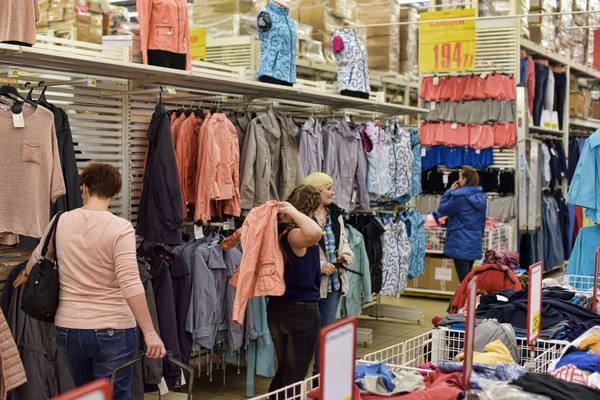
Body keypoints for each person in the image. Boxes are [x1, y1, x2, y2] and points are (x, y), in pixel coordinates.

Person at [14, 163, 166, 400]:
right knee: (114, 396)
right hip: (113, 329)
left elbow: (37, 259)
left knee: (88, 395)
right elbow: (130, 282)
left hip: (69, 330)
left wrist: (24, 275)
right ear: (114, 194)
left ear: (84, 188)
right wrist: (150, 332)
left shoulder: (60, 221)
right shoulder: (120, 228)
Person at [267, 185, 324, 393]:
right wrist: (293, 212)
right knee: (294, 376)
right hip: (301, 311)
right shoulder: (295, 235)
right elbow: (316, 232)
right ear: (313, 209)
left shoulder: (277, 230)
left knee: (284, 371)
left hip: (277, 309)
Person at [303, 172, 354, 375]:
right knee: (308, 334)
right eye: (328, 188)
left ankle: (319, 377)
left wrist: (345, 253)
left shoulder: (335, 214)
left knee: (326, 332)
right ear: (317, 191)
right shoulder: (304, 217)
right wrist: (320, 264)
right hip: (311, 282)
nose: (332, 192)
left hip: (333, 282)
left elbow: (344, 240)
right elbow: (300, 249)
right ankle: (298, 379)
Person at [437, 166, 487, 283]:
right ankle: (468, 300)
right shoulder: (481, 197)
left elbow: (442, 209)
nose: (458, 180)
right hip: (474, 243)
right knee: (468, 279)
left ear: (465, 179)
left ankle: (468, 301)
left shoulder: (459, 197)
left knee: (465, 282)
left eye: (460, 177)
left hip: (460, 243)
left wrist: (449, 192)